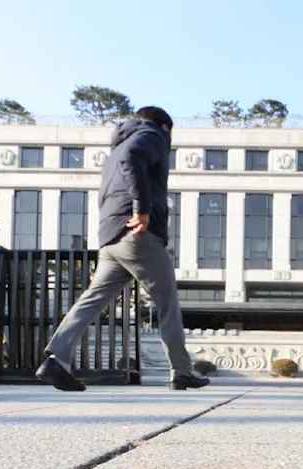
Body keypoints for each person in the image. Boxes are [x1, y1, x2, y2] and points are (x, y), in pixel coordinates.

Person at [36, 106, 208, 392]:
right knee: (168, 305)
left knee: (92, 300)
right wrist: (142, 209)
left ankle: (57, 358)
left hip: (111, 237)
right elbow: (134, 158)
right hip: (137, 235)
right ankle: (182, 371)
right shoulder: (150, 134)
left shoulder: (117, 147)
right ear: (166, 128)